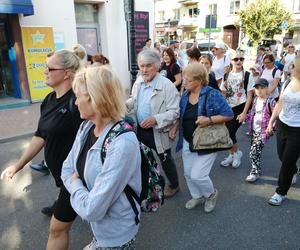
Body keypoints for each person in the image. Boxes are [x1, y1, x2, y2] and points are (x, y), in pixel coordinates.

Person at [1, 49, 83, 249]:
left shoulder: (77, 102)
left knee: (57, 229)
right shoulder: (48, 100)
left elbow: (90, 140)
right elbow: (41, 135)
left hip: (75, 177)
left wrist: (78, 176)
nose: (44, 71)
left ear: (65, 73)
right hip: (60, 175)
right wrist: (18, 165)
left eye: (49, 68)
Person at [61, 66, 141, 249]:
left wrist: (74, 184)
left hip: (117, 236)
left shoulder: (122, 143)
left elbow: (92, 210)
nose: (75, 102)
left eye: (78, 96)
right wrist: (82, 193)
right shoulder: (86, 128)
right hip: (99, 231)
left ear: (95, 99)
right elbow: (66, 169)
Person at [169, 63, 233, 212]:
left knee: (198, 175)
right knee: (188, 173)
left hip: (206, 142)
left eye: (188, 80)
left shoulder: (212, 94)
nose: (184, 82)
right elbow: (181, 114)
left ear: (199, 80)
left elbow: (229, 114)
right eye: (184, 79)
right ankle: (197, 196)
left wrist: (208, 120)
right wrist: (174, 127)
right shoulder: (185, 95)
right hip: (187, 140)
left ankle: (211, 194)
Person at [126, 49, 180, 198]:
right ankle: (148, 184)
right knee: (142, 159)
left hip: (158, 132)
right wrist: (125, 105)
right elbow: (134, 100)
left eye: (148, 65)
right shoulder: (138, 81)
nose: (144, 70)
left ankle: (174, 185)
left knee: (166, 160)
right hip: (140, 130)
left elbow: (175, 112)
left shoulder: (167, 85)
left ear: (157, 66)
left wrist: (155, 119)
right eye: (141, 66)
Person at [267, 56, 300, 206]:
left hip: (297, 130)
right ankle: (293, 170)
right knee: (282, 156)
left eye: (292, 65)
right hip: (282, 124)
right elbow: (280, 103)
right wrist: (271, 121)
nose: (289, 68)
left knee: (286, 162)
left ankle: (281, 192)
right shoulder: (287, 81)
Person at [220, 51, 254, 168]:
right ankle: (232, 154)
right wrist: (221, 109)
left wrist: (244, 113)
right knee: (226, 133)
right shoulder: (227, 75)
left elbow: (250, 96)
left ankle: (237, 154)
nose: (239, 61)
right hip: (228, 108)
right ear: (231, 61)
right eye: (236, 59)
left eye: (241, 59)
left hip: (240, 107)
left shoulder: (247, 75)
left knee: (230, 132)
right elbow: (224, 93)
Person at [245, 78, 276, 182]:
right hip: (253, 130)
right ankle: (256, 169)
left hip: (263, 132)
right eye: (257, 88)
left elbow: (275, 116)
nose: (259, 90)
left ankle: (254, 173)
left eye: (262, 88)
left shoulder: (270, 101)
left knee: (253, 152)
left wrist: (271, 127)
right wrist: (247, 118)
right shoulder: (255, 100)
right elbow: (252, 113)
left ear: (267, 88)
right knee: (255, 152)